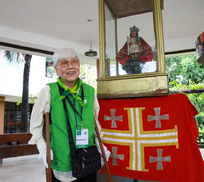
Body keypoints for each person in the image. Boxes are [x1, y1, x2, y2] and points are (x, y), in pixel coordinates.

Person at [28, 48, 109, 182]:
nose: (70, 66)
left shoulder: (90, 91)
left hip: (88, 158)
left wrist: (101, 147)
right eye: (64, 63)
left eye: (74, 61)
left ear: (79, 66)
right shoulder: (49, 91)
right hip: (61, 159)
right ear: (57, 70)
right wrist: (42, 147)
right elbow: (35, 125)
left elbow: (95, 123)